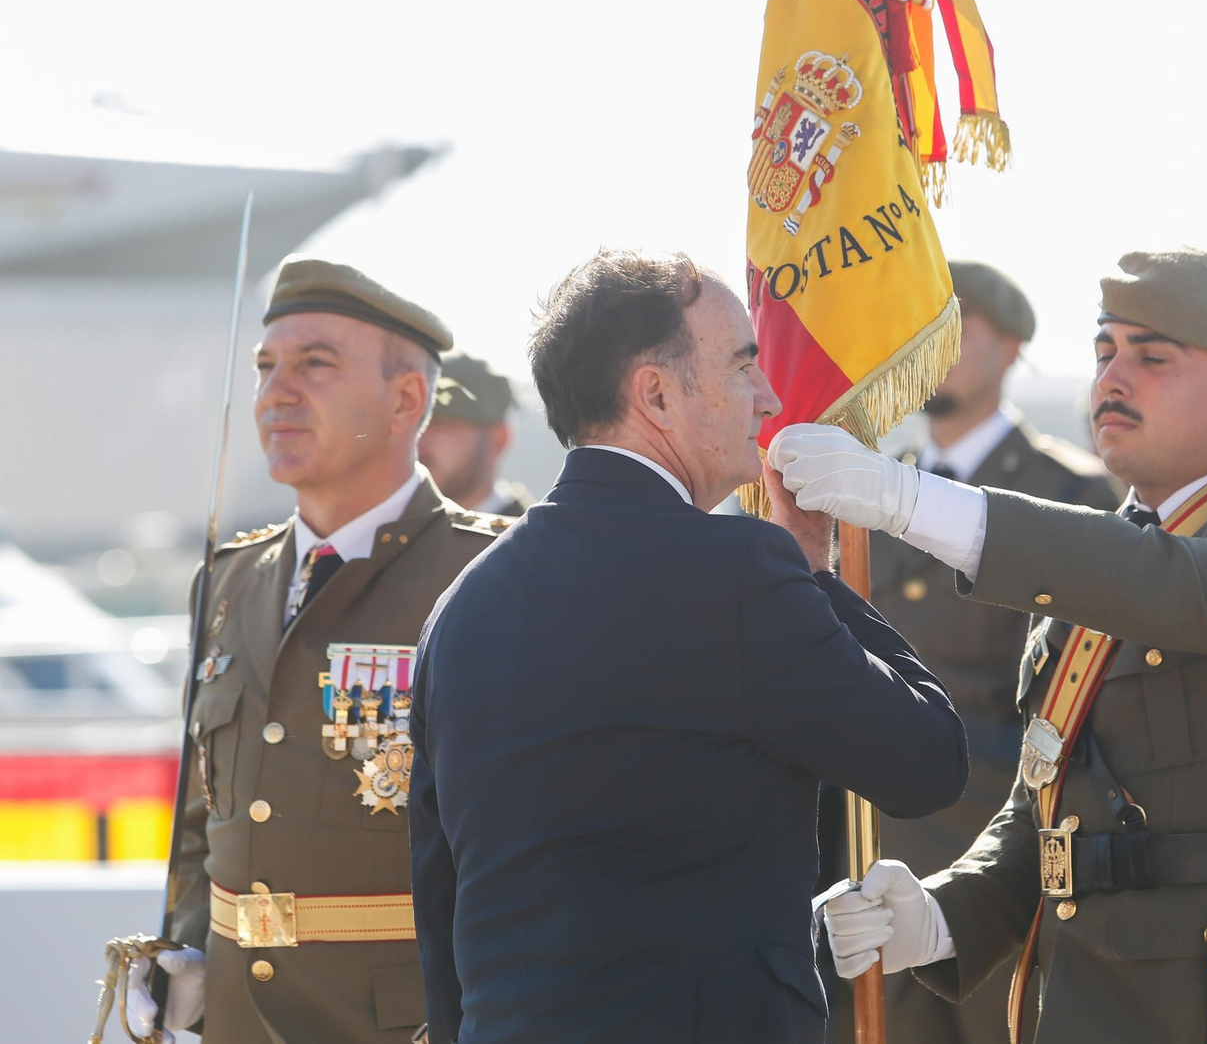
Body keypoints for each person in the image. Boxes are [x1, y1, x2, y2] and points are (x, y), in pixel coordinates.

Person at [774, 246, 1207, 1043]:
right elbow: (1051, 806)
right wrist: (940, 915)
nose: (1114, 377)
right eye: (1105, 351)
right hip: (1091, 999)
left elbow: (1174, 585)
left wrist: (911, 501)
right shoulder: (1101, 567)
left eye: (1153, 357)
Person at [407, 248, 968, 1044]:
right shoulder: (740, 570)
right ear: (657, 393)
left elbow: (440, 909)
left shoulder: (459, 607)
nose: (768, 398)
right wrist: (814, 571)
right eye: (744, 367)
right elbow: (929, 758)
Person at [122, 256, 512, 1043]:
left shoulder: (494, 572)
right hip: (236, 1018)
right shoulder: (229, 581)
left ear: (407, 400)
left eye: (316, 365)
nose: (276, 393)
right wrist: (189, 941)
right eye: (266, 367)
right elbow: (204, 813)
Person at [852, 260, 1115, 1044]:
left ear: (1013, 348)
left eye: (956, 329)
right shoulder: (873, 487)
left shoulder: (1066, 493)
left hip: (1002, 840)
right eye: (918, 329)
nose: (935, 349)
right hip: (881, 827)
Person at [418, 350, 536, 516]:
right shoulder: (393, 531)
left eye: (439, 426)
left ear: (498, 440)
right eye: (416, 423)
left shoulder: (536, 539)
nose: (418, 438)